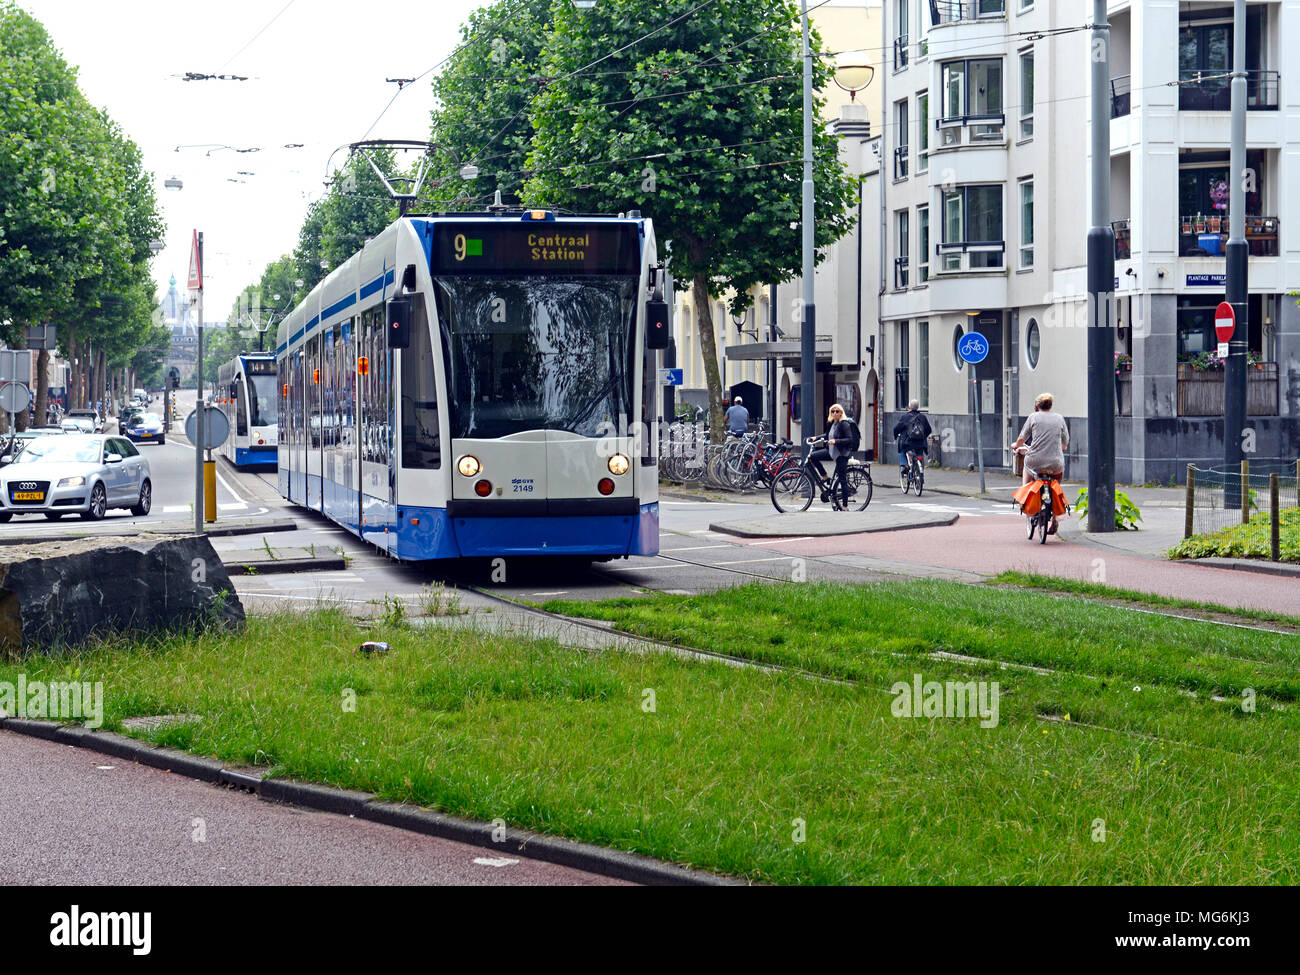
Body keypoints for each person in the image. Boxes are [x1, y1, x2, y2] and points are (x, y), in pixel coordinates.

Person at [1013, 392, 1070, 530]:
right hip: (1055, 463)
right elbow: (1065, 443)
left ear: (1037, 406)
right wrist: (1061, 447)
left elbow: (1022, 438)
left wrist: (1016, 445)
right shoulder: (1059, 418)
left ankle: (1025, 502)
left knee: (1026, 467)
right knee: (1056, 485)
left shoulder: (1033, 417)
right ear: (1051, 405)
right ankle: (1055, 520)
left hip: (1035, 461)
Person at [809, 403, 858, 510]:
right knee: (812, 457)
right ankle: (825, 476)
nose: (835, 413)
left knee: (842, 479)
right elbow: (827, 436)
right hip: (831, 451)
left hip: (841, 453)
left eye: (837, 411)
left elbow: (849, 439)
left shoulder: (844, 424)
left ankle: (844, 506)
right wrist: (815, 438)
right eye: (833, 411)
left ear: (841, 413)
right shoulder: (832, 423)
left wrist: (836, 441)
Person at [892, 399, 932, 479]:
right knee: (919, 457)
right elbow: (929, 430)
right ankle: (921, 478)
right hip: (920, 444)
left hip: (908, 444)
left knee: (903, 451)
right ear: (917, 407)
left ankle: (904, 466)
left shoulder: (905, 417)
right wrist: (922, 436)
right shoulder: (923, 417)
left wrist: (895, 436)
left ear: (909, 407)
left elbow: (896, 428)